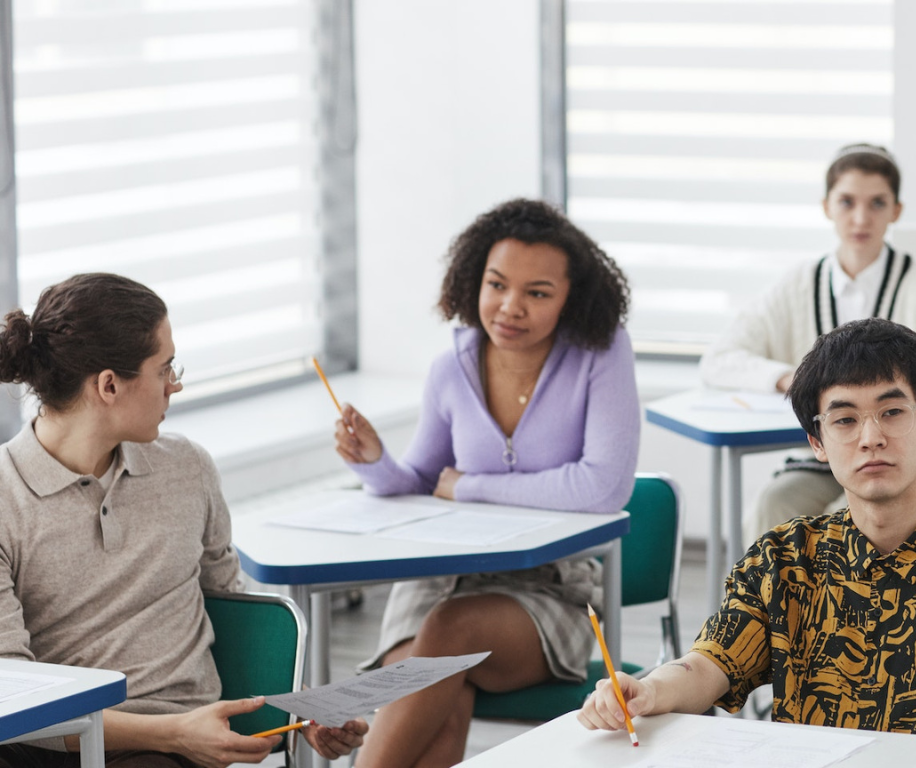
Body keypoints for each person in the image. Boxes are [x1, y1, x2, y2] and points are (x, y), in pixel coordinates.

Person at [580, 319, 916, 767]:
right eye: (845, 420)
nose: (870, 437)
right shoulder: (784, 559)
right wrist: (644, 691)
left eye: (892, 412)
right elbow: (711, 663)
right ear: (817, 441)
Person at [0, 273, 367, 768]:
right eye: (165, 369)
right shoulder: (6, 498)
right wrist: (174, 734)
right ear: (109, 385)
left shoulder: (186, 467)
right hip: (51, 745)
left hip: (170, 749)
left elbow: (238, 615)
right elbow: (14, 693)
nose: (176, 384)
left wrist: (304, 713)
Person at [334, 199, 640, 768]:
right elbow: (423, 483)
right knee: (446, 697)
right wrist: (374, 462)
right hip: (435, 581)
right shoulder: (452, 366)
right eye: (497, 284)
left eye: (537, 293)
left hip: (548, 589)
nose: (510, 307)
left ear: (571, 298)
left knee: (452, 634)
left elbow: (603, 487)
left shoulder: (600, 352)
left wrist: (471, 486)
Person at [700, 143, 916, 537]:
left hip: (911, 463)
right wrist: (794, 380)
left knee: (848, 516)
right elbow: (719, 359)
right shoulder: (798, 284)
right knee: (773, 504)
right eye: (847, 202)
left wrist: (892, 398)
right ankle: (773, 601)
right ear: (827, 206)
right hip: (826, 462)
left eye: (877, 203)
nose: (861, 217)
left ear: (896, 210)